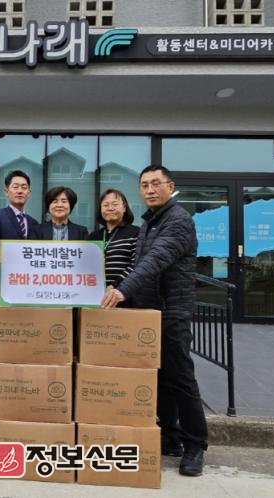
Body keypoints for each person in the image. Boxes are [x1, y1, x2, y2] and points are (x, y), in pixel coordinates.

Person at [101, 165, 208, 477]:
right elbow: (138, 262)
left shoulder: (178, 220)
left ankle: (195, 445)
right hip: (149, 310)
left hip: (172, 310)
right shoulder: (151, 221)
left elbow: (155, 260)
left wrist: (123, 290)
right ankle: (170, 438)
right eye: (144, 185)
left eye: (155, 184)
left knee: (181, 377)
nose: (149, 189)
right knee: (159, 377)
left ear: (170, 186)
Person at [89, 189, 139, 291]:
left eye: (115, 204)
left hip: (124, 293)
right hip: (96, 293)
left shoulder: (135, 232)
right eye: (105, 205)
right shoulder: (94, 236)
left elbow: (136, 264)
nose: (110, 208)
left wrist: (115, 286)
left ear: (124, 208)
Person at [0, 170, 39, 251]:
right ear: (6, 192)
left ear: (29, 193)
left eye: (24, 188)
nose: (20, 191)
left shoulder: (33, 223)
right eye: (15, 187)